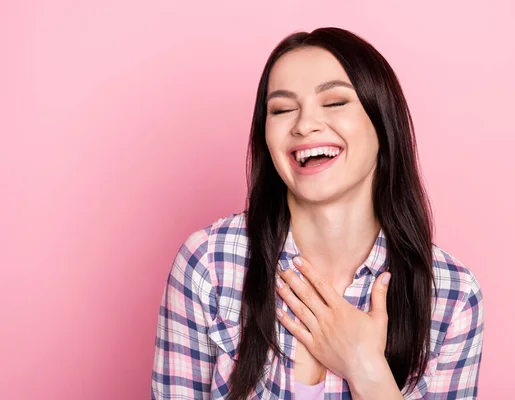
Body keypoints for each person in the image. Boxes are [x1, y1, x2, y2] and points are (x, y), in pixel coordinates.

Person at [151, 27, 484, 400]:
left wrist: (366, 369)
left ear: (382, 121)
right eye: (281, 109)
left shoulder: (452, 297)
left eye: (335, 102)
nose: (305, 124)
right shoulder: (210, 265)